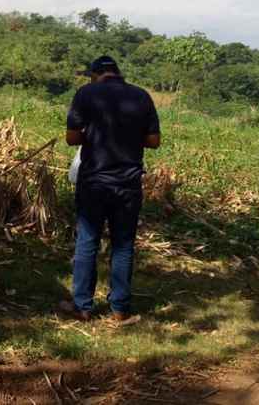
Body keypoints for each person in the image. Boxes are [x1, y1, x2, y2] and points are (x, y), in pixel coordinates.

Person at [63, 56, 161, 321]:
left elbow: (72, 138)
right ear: (118, 73)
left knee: (87, 241)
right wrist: (129, 137)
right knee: (123, 244)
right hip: (128, 183)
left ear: (95, 74)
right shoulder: (141, 96)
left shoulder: (86, 93)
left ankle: (82, 305)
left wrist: (94, 135)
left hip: (93, 181)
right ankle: (119, 309)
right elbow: (153, 141)